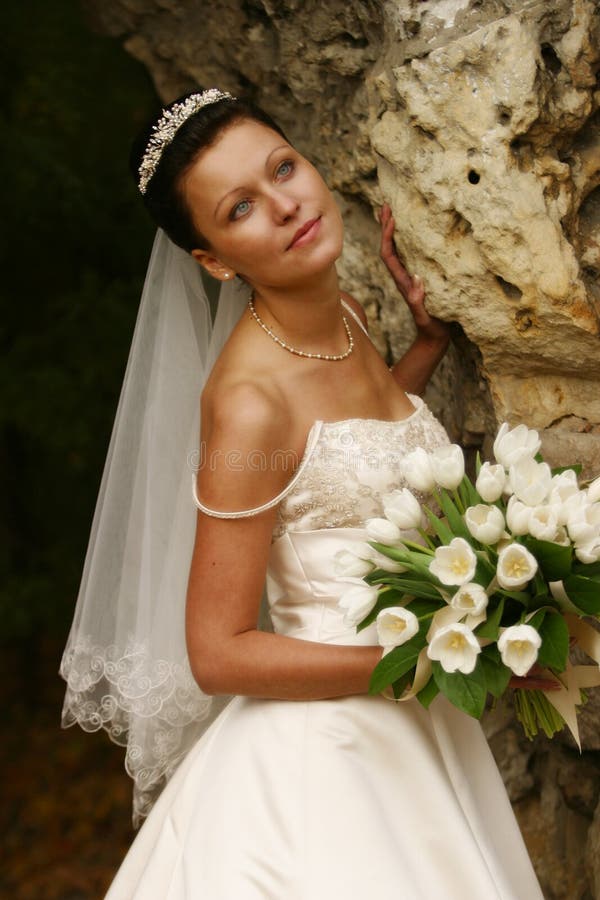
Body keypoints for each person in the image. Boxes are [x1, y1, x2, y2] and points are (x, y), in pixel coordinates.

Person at [61, 89, 546, 899]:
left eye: (283, 167)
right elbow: (218, 653)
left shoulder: (345, 317)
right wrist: (425, 663)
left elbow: (336, 469)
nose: (286, 205)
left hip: (413, 727)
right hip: (330, 754)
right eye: (242, 207)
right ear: (216, 260)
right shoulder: (248, 404)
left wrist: (424, 350)